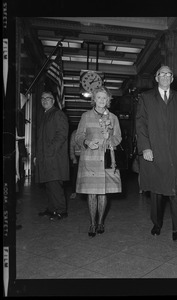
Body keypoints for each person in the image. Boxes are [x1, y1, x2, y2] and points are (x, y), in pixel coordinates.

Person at [135, 65, 177, 243]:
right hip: (154, 151)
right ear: (156, 77)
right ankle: (157, 223)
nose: (166, 77)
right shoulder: (145, 98)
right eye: (162, 74)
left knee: (176, 190)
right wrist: (145, 147)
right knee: (156, 192)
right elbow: (140, 125)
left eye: (169, 74)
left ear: (172, 78)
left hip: (175, 152)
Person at [75, 86, 122, 237]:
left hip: (106, 160)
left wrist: (110, 141)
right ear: (94, 99)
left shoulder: (113, 118)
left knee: (102, 193)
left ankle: (100, 222)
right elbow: (78, 137)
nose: (102, 100)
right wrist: (88, 142)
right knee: (91, 194)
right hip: (89, 159)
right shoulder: (86, 116)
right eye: (99, 97)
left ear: (108, 100)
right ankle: (92, 223)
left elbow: (118, 138)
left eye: (105, 98)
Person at [35, 91, 69, 221]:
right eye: (42, 98)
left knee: (55, 184)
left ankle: (61, 210)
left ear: (53, 101)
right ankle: (51, 209)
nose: (44, 100)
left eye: (48, 98)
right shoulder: (44, 115)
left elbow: (61, 135)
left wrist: (50, 151)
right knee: (48, 184)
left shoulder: (57, 114)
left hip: (54, 157)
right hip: (45, 157)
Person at [69, 129, 82, 199]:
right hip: (77, 157)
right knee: (75, 175)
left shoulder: (87, 131)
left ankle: (83, 192)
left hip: (86, 157)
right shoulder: (74, 133)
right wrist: (73, 158)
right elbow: (71, 146)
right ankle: (74, 191)